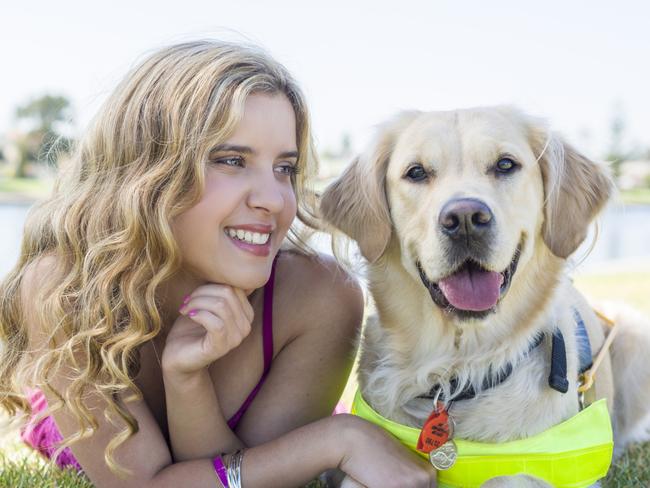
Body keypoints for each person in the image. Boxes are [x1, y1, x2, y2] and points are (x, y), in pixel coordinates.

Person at [0, 40, 437, 487]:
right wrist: (338, 438)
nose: (272, 199)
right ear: (147, 174)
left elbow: (241, 479)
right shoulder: (67, 290)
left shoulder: (321, 296)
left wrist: (187, 380)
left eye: (284, 168)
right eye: (232, 161)